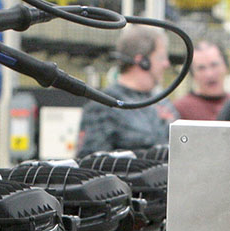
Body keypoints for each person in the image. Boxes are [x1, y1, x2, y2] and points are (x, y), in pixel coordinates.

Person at [76, 27, 177, 157]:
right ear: (142, 61)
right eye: (161, 57)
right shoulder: (104, 105)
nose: (166, 64)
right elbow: (91, 162)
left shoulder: (163, 103)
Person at [173, 40, 230, 122]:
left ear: (226, 67)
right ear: (192, 74)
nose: (209, 74)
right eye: (201, 68)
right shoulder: (180, 110)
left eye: (214, 65)